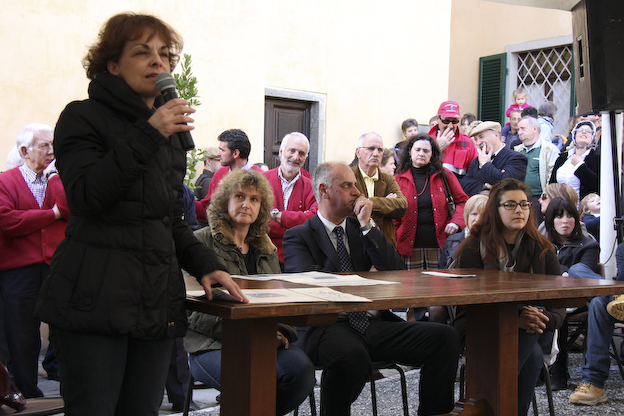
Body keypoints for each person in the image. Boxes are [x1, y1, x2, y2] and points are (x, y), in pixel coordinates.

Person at [34, 13, 247, 416]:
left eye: (165, 54)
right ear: (113, 64)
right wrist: (150, 132)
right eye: (142, 51)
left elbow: (167, 219)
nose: (157, 61)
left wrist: (206, 263)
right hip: (93, 297)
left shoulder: (167, 134)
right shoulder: (82, 117)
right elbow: (86, 197)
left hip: (154, 299)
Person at [283, 162, 461, 416]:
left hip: (371, 322)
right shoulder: (298, 235)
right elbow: (311, 281)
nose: (357, 192)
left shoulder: (361, 229)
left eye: (356, 185)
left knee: (445, 337)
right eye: (347, 186)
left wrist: (368, 226)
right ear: (324, 190)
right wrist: (365, 279)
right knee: (352, 357)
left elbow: (394, 270)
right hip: (328, 325)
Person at [185, 170, 315, 415]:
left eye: (254, 199)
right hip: (211, 345)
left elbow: (281, 300)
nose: (246, 204)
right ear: (225, 201)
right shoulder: (199, 243)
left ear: (262, 207)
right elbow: (192, 309)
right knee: (253, 378)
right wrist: (250, 333)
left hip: (265, 340)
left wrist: (281, 332)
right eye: (239, 196)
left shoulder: (267, 248)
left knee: (301, 372)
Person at [455, 178, 563, 416]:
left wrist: (539, 317)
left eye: (524, 204)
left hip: (536, 329)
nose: (519, 210)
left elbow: (558, 307)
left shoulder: (543, 249)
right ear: (495, 209)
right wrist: (514, 319)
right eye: (510, 205)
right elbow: (471, 306)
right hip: (481, 328)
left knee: (529, 335)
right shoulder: (474, 247)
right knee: (532, 354)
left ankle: (487, 407)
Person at [0, 123, 69, 398]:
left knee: (65, 331)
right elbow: (7, 221)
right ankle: (27, 393)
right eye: (44, 146)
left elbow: (70, 209)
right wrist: (51, 215)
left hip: (56, 266)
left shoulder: (58, 180)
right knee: (22, 335)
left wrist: (54, 177)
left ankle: (72, 391)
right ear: (25, 151)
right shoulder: (6, 181)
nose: (51, 151)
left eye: (53, 145)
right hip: (18, 271)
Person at [544, 197, 601, 391]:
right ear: (551, 220)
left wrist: (559, 273)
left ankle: (558, 372)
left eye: (570, 216)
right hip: (547, 297)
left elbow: (583, 277)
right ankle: (538, 368)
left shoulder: (588, 245)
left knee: (559, 307)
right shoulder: (542, 245)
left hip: (578, 299)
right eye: (559, 216)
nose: (565, 221)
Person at [394, 133, 468, 270]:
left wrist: (456, 222)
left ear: (432, 154)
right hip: (408, 248)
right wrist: (397, 235)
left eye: (426, 150)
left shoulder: (444, 175)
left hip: (440, 246)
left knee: (439, 283)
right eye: (417, 150)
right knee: (410, 283)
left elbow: (463, 202)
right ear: (410, 152)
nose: (421, 154)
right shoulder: (398, 179)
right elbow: (393, 214)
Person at [568, 241, 624, 405]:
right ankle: (594, 385)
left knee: (599, 302)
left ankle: (594, 381)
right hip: (620, 301)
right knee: (598, 302)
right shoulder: (622, 249)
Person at [264, 132, 318, 266]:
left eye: (301, 153)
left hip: (299, 259)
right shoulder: (262, 180)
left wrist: (277, 216)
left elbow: (314, 220)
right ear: (281, 152)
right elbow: (259, 220)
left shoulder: (311, 187)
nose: (295, 157)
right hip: (264, 257)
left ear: (305, 158)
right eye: (292, 150)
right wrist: (297, 230)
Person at [352, 132, 407, 248]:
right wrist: (385, 203)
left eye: (380, 150)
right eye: (371, 148)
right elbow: (347, 208)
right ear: (358, 152)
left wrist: (368, 202)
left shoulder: (387, 179)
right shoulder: (348, 176)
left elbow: (402, 206)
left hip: (384, 245)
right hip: (356, 244)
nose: (376, 153)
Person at [195, 128, 264, 220]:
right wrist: (184, 197)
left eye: (222, 150)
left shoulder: (261, 177)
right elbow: (207, 209)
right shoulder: (220, 173)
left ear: (235, 153)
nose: (218, 154)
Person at [460, 121, 527, 196]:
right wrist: (485, 186)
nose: (478, 143)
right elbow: (464, 185)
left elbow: (506, 184)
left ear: (496, 135)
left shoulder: (516, 158)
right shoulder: (477, 161)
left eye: (481, 137)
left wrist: (484, 164)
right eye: (476, 139)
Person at [515, 116, 560, 223]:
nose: (519, 132)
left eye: (523, 128)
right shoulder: (517, 150)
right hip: (519, 198)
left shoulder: (549, 149)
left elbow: (552, 175)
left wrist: (545, 197)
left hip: (538, 199)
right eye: (518, 129)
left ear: (535, 129)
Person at [550, 120, 600, 201]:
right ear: (574, 135)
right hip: (560, 206)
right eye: (580, 130)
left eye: (588, 131)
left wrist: (580, 166)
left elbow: (596, 185)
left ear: (593, 137)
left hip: (582, 206)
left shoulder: (596, 158)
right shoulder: (563, 157)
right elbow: (552, 184)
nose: (584, 132)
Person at [428, 101, 478, 178]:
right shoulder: (425, 140)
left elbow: (474, 175)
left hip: (459, 184)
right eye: (446, 121)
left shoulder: (467, 142)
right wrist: (436, 149)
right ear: (437, 119)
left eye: (454, 121)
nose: (450, 126)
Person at [438, 194, 488, 269]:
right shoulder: (452, 241)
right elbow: (442, 269)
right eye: (474, 214)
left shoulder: (495, 242)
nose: (478, 219)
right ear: (467, 216)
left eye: (484, 215)